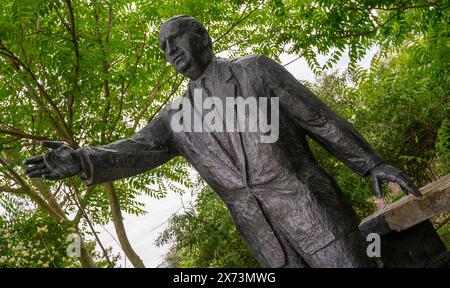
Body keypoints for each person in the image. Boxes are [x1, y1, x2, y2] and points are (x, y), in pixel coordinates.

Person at [23, 15, 421, 267]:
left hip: (315, 216)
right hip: (267, 243)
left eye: (175, 40)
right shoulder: (176, 116)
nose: (170, 52)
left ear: (201, 36)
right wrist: (81, 159)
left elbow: (318, 118)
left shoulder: (255, 72)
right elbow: (138, 148)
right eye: (164, 49)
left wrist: (370, 163)